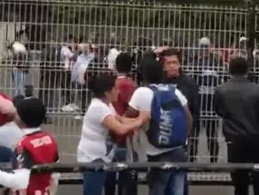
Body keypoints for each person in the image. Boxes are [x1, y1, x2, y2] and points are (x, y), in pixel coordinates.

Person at [127, 59, 192, 195]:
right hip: (179, 150)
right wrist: (182, 138)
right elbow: (189, 117)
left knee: (158, 190)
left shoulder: (141, 92)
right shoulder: (175, 91)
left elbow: (128, 116)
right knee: (177, 191)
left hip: (157, 153)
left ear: (143, 75)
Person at [0, 97, 59, 195]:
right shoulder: (50, 139)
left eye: (16, 113)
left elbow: (20, 182)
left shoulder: (23, 145)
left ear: (21, 118)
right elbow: (55, 174)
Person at [214, 57, 259, 195]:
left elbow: (219, 111)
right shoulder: (256, 89)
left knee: (239, 180)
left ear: (229, 69)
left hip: (234, 138)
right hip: (256, 137)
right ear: (247, 70)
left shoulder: (221, 90)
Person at [77, 74, 147, 195]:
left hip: (102, 159)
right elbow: (120, 128)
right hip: (92, 159)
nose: (118, 91)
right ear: (106, 92)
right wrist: (140, 120)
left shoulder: (107, 105)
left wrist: (142, 121)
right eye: (115, 88)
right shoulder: (98, 108)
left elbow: (120, 120)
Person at [159, 49, 200, 162]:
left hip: (183, 132)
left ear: (180, 64)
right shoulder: (159, 82)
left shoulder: (189, 83)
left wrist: (190, 131)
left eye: (175, 62)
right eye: (169, 63)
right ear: (164, 65)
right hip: (162, 132)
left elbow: (195, 109)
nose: (172, 66)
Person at [106, 52, 138, 195]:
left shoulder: (112, 85)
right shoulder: (132, 85)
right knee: (128, 170)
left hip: (111, 130)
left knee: (110, 168)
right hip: (128, 133)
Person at [193, 39, 225, 163]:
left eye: (206, 46)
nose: (204, 49)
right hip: (199, 104)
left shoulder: (216, 63)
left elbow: (222, 80)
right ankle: (192, 161)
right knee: (194, 136)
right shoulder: (196, 63)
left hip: (212, 105)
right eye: (202, 46)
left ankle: (214, 162)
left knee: (212, 136)